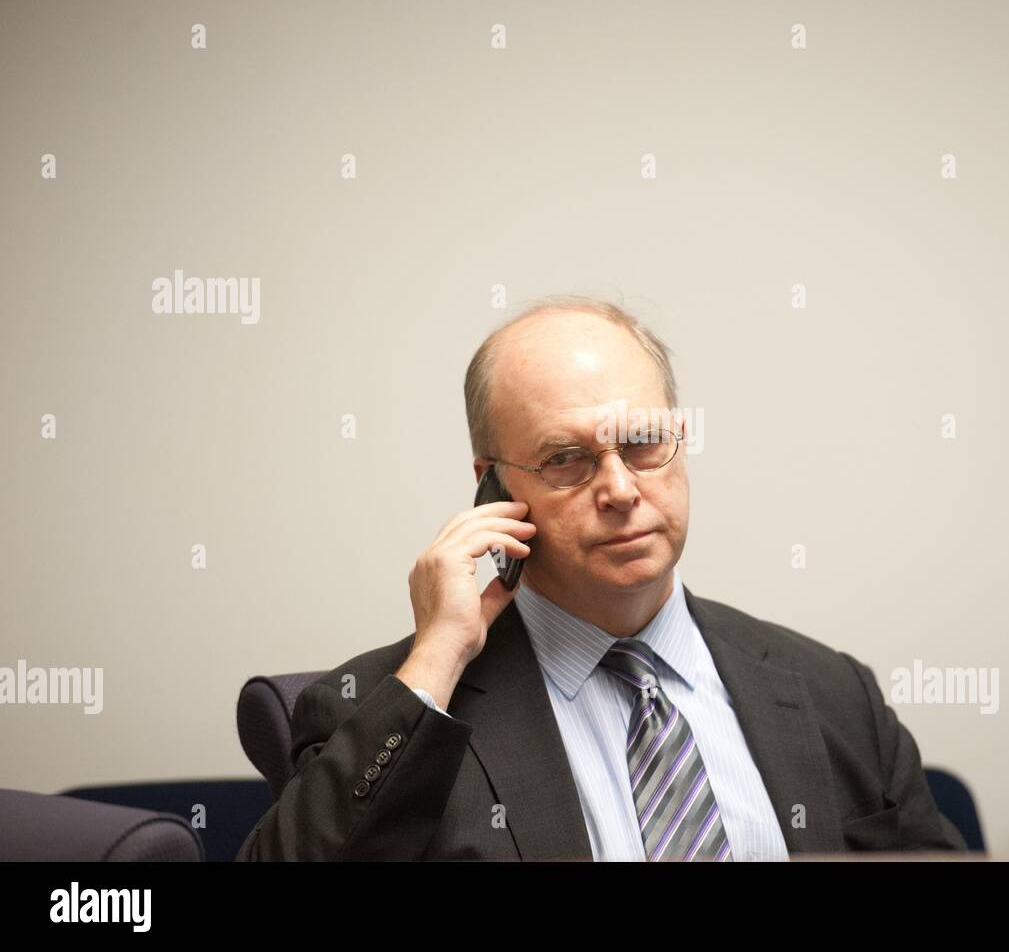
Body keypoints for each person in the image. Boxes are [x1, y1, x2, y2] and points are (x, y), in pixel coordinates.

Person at [236, 295, 967, 861]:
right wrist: (438, 657)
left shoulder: (833, 691)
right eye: (567, 458)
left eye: (644, 443)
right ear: (492, 489)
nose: (619, 488)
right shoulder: (391, 707)